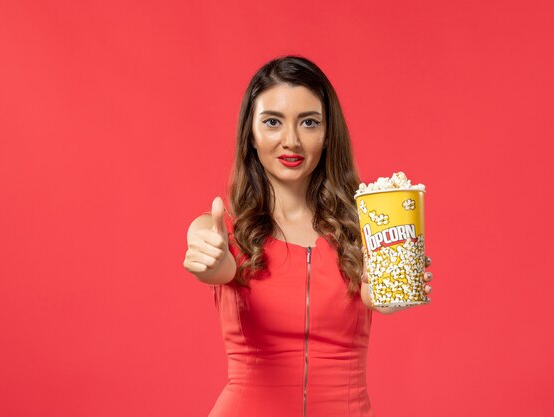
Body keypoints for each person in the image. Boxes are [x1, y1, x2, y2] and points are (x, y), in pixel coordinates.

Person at [183, 55, 434, 417]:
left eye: (309, 123)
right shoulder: (221, 231)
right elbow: (215, 265)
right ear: (250, 135)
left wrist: (393, 292)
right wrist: (210, 259)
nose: (291, 141)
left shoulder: (364, 231)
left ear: (328, 134)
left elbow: (378, 295)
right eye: (272, 122)